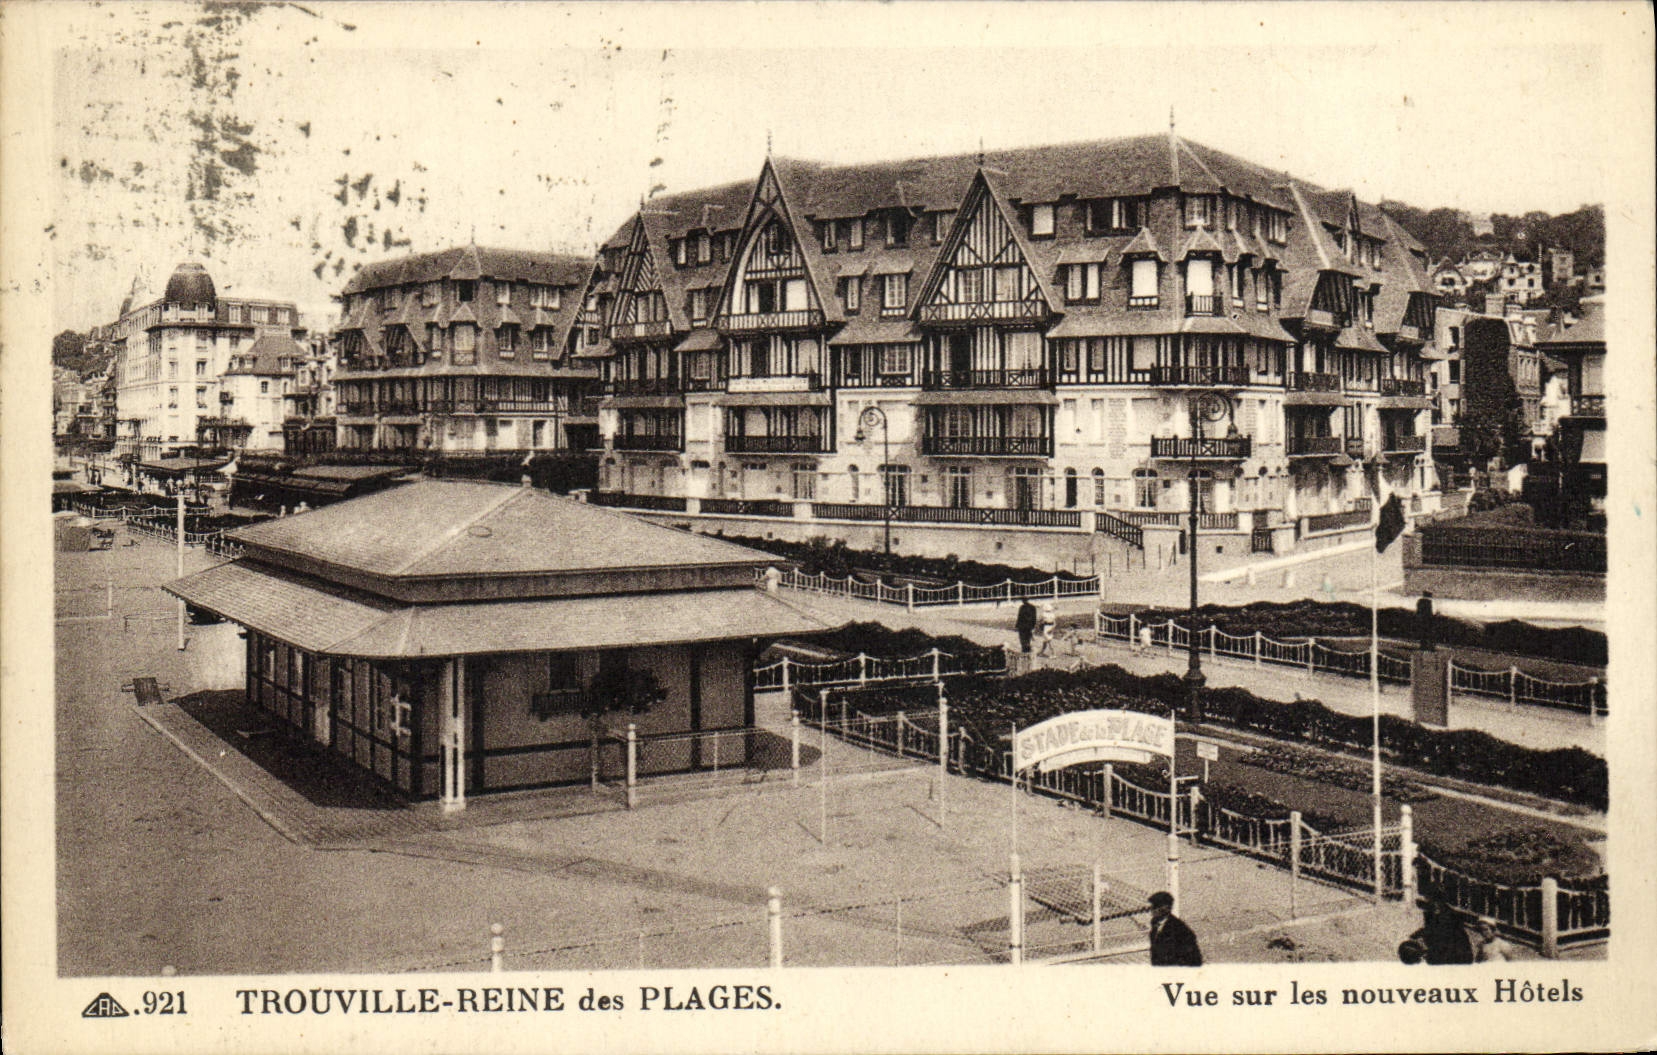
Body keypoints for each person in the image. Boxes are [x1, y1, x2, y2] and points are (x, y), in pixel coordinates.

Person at [1146, 891, 1203, 966]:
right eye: (1152, 906)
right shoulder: (1155, 925)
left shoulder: (1181, 930)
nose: (1151, 910)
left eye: (1155, 906)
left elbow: (1194, 960)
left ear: (1166, 908)